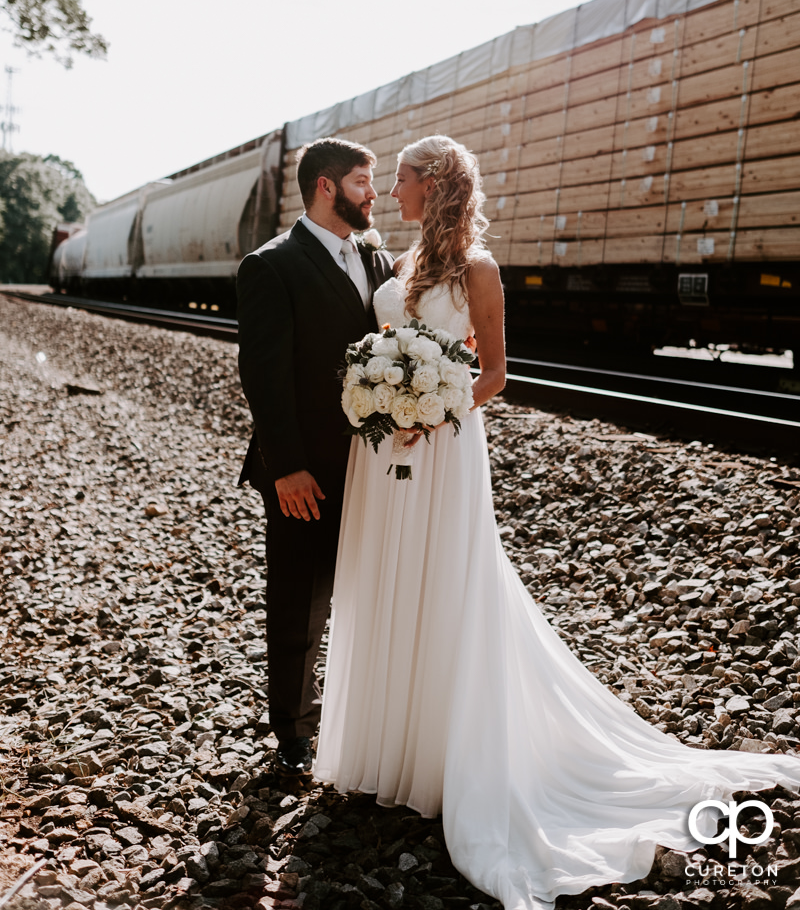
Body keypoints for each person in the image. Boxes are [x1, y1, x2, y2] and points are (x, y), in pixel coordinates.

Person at [314, 134, 800, 909]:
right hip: (383, 452)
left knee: (445, 586)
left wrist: (433, 409)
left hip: (442, 449)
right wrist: (378, 399)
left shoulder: (479, 269)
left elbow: (497, 371)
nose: (389, 191)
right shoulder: (396, 265)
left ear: (433, 185)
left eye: (400, 179)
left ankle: (451, 760)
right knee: (389, 583)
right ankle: (392, 751)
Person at [236, 137, 394, 774]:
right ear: (327, 186)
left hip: (378, 462)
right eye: (362, 181)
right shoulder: (271, 265)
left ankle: (367, 719)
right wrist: (287, 467)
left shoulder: (378, 261)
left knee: (377, 593)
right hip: (306, 469)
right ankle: (295, 734)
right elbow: (263, 377)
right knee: (300, 600)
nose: (373, 193)